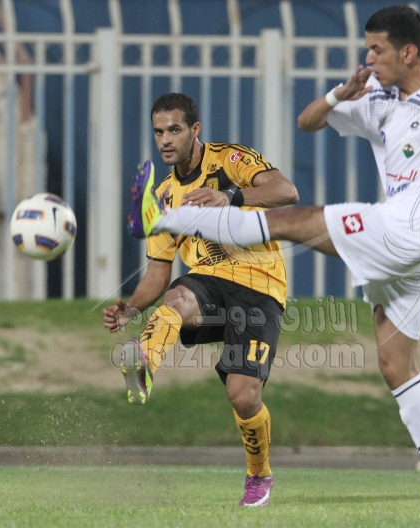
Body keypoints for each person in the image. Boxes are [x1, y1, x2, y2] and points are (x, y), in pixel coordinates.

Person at [128, 6, 420, 517]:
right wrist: (340, 94)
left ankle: (168, 217)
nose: (368, 58)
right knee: (395, 365)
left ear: (408, 52)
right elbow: (307, 122)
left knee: (296, 220)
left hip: (407, 229)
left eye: (376, 49)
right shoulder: (376, 96)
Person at [103, 92, 298, 507]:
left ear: (195, 130)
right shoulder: (163, 196)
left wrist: (231, 197)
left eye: (174, 130)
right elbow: (158, 273)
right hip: (208, 282)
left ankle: (259, 475)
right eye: (159, 132)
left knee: (243, 396)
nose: (165, 140)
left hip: (260, 286)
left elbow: (287, 191)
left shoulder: (229, 160)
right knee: (175, 299)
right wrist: (131, 308)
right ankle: (144, 365)